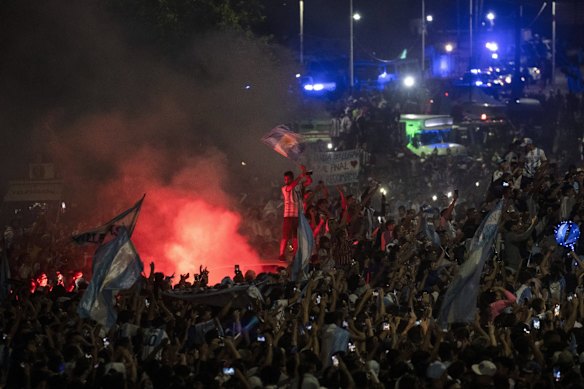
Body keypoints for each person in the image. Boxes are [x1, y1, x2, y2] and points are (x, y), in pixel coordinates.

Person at [279, 165, 312, 261]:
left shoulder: (298, 186)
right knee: (285, 236)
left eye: (288, 179)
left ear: (292, 178)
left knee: (295, 236)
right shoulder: (285, 188)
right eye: (285, 179)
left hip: (297, 215)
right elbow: (291, 187)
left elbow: (309, 182)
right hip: (288, 216)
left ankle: (295, 254)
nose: (286, 181)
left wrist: (307, 175)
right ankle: (281, 254)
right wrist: (302, 175)